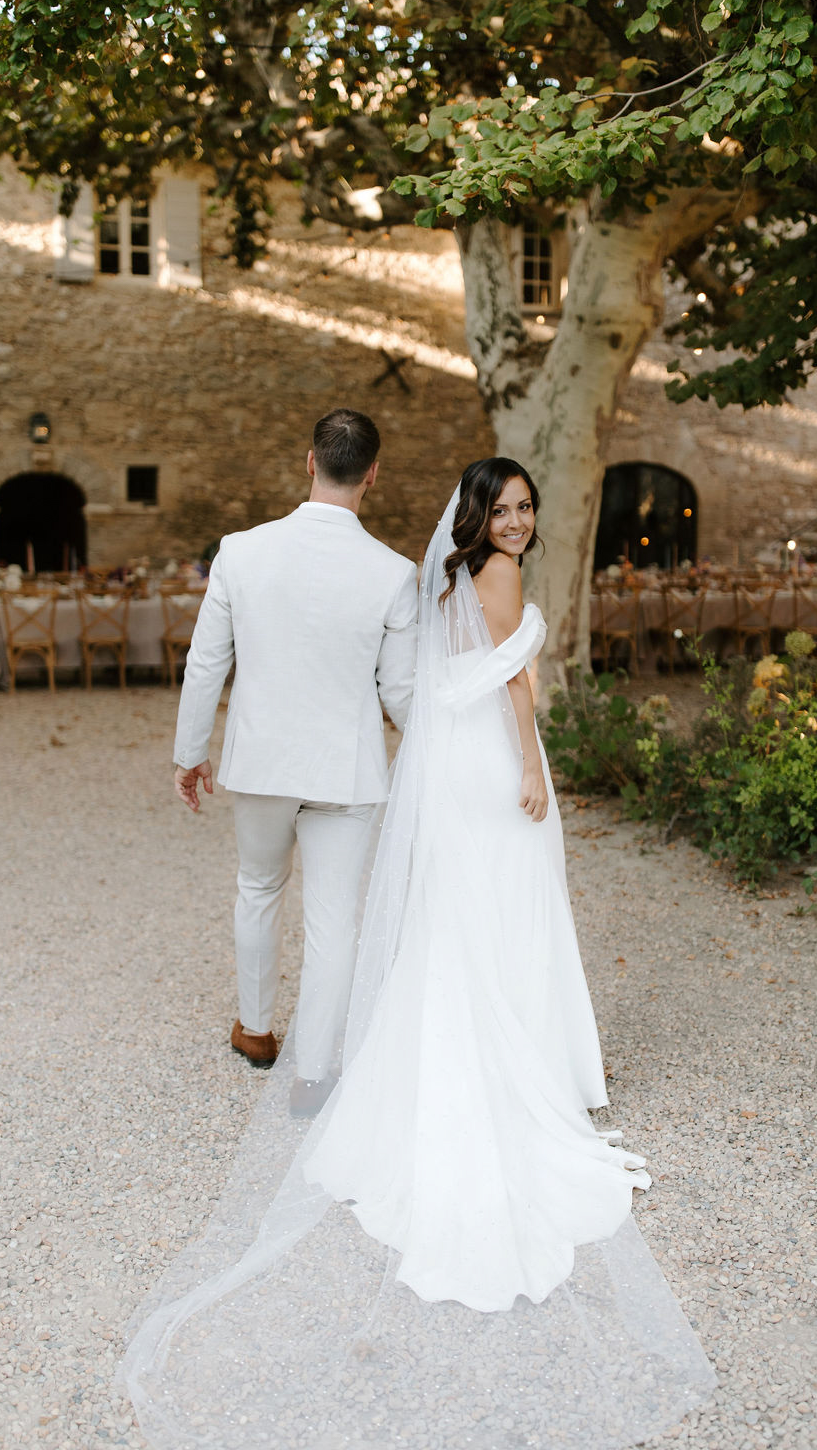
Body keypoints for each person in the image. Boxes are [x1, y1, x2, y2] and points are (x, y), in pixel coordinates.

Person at [121, 459, 715, 1448]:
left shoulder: (442, 574)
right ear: (481, 515)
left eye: (528, 508)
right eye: (508, 508)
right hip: (492, 767)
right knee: (507, 909)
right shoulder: (500, 576)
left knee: (460, 919)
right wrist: (531, 767)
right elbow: (516, 686)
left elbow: (437, 681)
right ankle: (520, 1063)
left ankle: (453, 1054)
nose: (520, 522)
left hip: (448, 770)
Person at [171, 407, 417, 1113]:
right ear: (373, 473)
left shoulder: (240, 552)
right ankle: (314, 1074)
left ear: (310, 462)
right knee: (335, 920)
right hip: (347, 771)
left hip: (264, 764)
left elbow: (205, 663)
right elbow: (401, 693)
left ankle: (255, 1030)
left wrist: (191, 754)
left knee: (258, 888)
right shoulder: (393, 574)